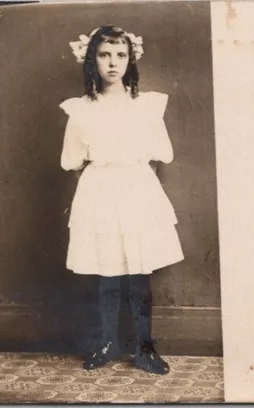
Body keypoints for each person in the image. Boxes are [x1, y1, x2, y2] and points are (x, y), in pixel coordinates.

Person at [59, 25, 184, 375]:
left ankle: (145, 348)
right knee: (107, 273)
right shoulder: (80, 110)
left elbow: (164, 153)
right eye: (104, 55)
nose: (112, 63)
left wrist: (134, 174)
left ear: (130, 60)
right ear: (91, 60)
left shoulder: (147, 106)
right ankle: (107, 342)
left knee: (139, 274)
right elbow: (70, 160)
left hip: (137, 189)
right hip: (99, 191)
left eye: (120, 55)